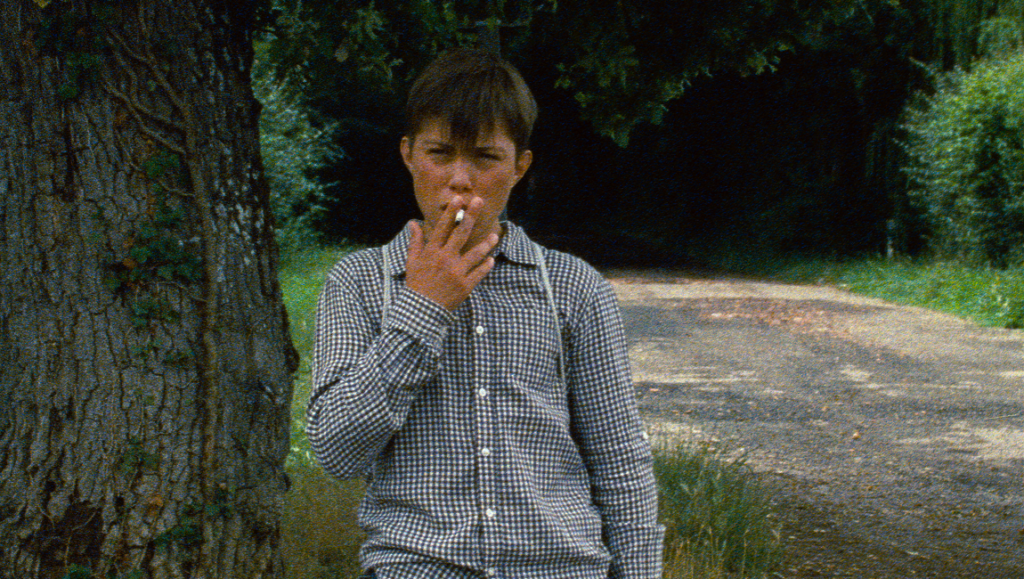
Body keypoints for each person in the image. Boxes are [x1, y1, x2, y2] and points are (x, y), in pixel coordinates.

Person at [307, 48, 663, 579]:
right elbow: (336, 451)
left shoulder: (572, 287)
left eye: (485, 157)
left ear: (519, 167)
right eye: (439, 152)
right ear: (408, 155)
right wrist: (422, 307)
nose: (460, 180)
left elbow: (620, 461)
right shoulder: (360, 282)